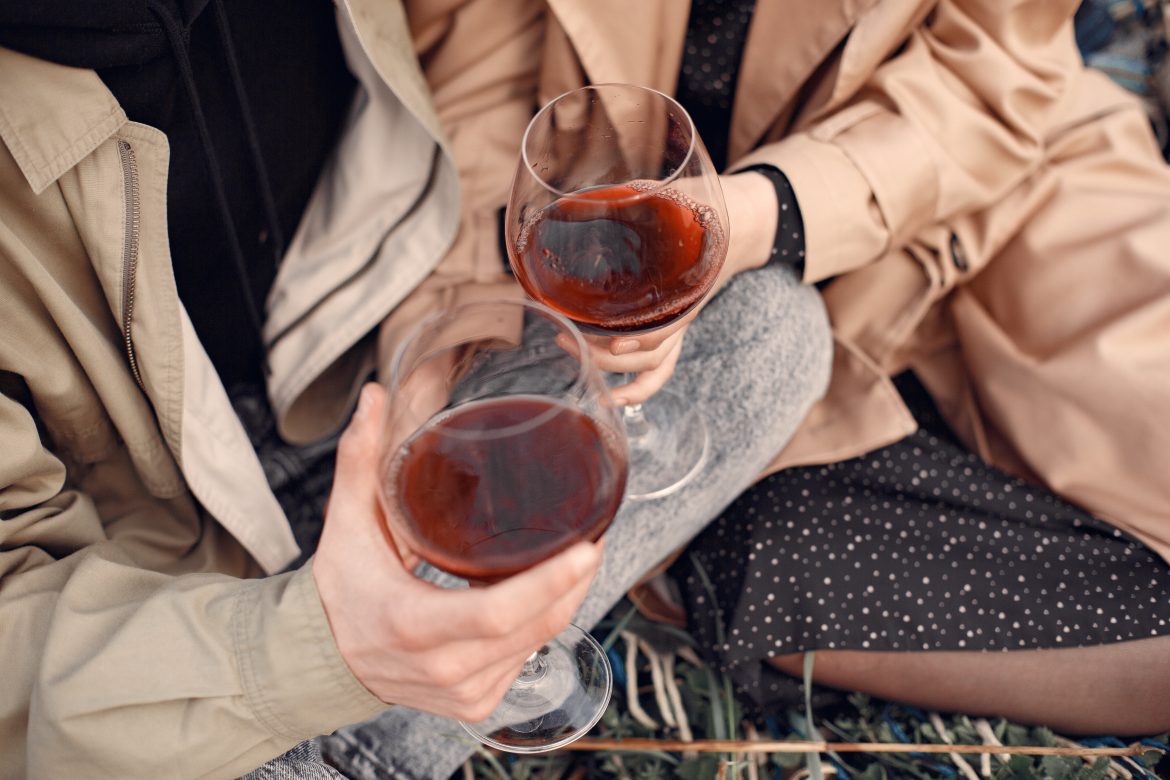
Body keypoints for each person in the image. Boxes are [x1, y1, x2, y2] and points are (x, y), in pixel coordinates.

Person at [328, 0, 1170, 774]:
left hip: (983, 187)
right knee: (763, 530)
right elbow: (486, 84)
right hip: (633, 240)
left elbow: (991, 75)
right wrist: (444, 340)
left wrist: (744, 221)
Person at [0, 0, 830, 778]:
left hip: (362, 376)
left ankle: (374, 712)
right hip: (142, 586)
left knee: (767, 332)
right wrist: (306, 655)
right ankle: (350, 731)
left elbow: (477, 52)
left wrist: (432, 345)